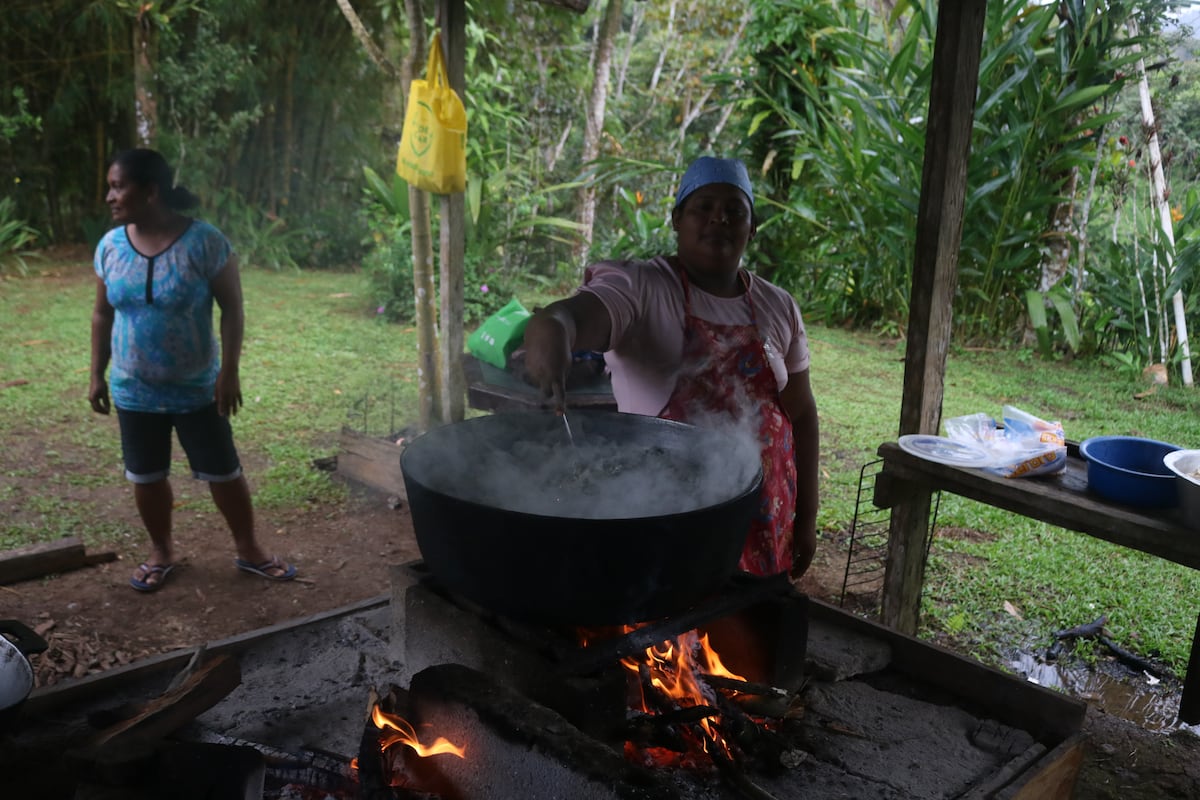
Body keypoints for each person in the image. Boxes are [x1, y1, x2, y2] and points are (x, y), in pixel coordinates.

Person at [523, 156, 819, 580]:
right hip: (670, 516)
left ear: (751, 228)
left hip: (763, 511)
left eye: (735, 210)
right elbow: (575, 315)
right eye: (704, 206)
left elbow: (802, 413)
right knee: (673, 634)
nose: (719, 217)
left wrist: (805, 519)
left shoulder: (778, 305)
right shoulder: (640, 286)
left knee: (748, 633)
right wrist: (552, 328)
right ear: (677, 218)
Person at [89, 148, 297, 592]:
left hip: (198, 387)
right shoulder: (110, 247)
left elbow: (233, 308)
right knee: (146, 475)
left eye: (118, 186)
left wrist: (230, 372)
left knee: (222, 472)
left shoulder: (204, 242)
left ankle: (249, 549)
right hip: (132, 388)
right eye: (110, 186)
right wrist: (96, 374)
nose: (110, 195)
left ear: (150, 191)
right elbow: (102, 316)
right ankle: (162, 552)